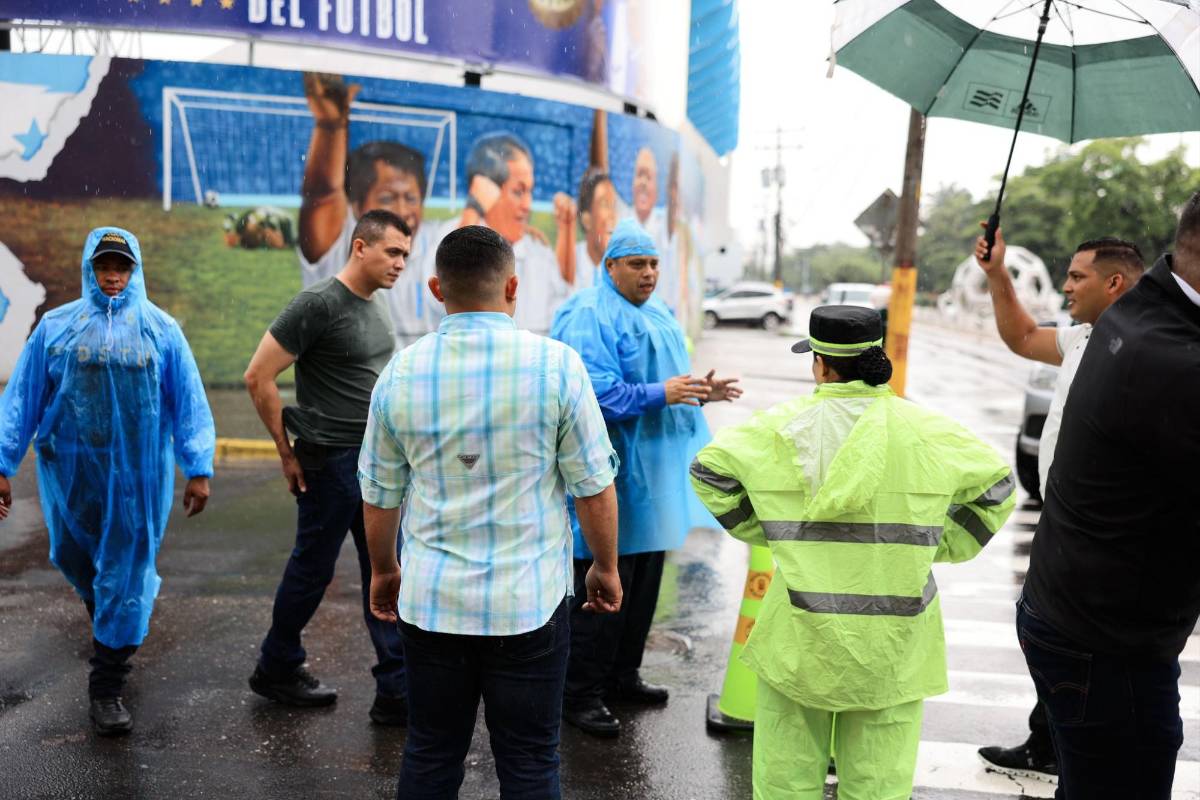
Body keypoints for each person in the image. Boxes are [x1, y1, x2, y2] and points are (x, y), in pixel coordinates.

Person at [690, 305, 1015, 799]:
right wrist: (937, 544)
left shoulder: (777, 428)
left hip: (799, 638)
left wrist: (769, 532)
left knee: (786, 779)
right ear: (875, 356)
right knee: (879, 783)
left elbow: (708, 472)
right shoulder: (926, 431)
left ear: (820, 364)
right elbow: (998, 486)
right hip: (894, 644)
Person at [360, 225, 622, 798]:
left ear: (435, 288)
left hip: (431, 602)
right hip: (526, 603)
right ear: (513, 287)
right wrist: (605, 566)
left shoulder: (399, 374)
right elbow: (594, 486)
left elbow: (380, 493)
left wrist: (383, 571)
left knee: (430, 752)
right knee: (530, 761)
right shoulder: (557, 367)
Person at [1018, 192, 1200, 798]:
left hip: (1077, 613)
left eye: (1078, 277)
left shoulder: (1136, 313)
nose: (1070, 289)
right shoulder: (1172, 358)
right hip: (1105, 642)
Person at [0, 227, 215, 736]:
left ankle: (108, 685)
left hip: (140, 478)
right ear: (89, 269)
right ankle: (113, 626)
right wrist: (4, 464)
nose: (113, 276)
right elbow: (22, 399)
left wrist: (198, 467)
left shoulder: (162, 331)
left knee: (125, 570)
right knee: (76, 560)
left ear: (135, 270)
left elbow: (188, 400)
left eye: (121, 267)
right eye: (104, 267)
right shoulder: (56, 328)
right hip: (71, 476)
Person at [551, 218, 741, 737]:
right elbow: (594, 392)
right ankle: (579, 693)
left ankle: (622, 676)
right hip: (609, 478)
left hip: (655, 482)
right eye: (637, 263)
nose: (649, 272)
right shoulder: (588, 314)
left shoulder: (656, 312)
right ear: (610, 266)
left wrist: (703, 390)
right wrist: (663, 393)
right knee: (601, 591)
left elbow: (668, 381)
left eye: (654, 262)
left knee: (643, 589)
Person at [973, 229, 1144, 781]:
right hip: (1064, 520)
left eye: (1077, 277)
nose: (1066, 287)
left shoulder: (1146, 346)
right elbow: (1023, 336)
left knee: (1076, 644)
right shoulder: (1085, 338)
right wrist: (998, 272)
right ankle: (1048, 739)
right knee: (1051, 634)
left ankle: (1073, 751)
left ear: (1114, 281)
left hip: (1106, 533)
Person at [244, 209, 411, 724]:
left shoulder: (374, 303)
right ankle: (279, 665)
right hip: (333, 461)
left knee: (384, 569)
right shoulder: (318, 303)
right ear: (360, 247)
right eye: (392, 252)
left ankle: (395, 689)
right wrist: (285, 452)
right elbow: (258, 376)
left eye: (405, 254)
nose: (401, 263)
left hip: (375, 459)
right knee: (314, 570)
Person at [296, 72, 445, 347]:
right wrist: (331, 127)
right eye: (387, 198)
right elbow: (323, 194)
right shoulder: (340, 248)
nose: (403, 210)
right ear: (356, 206)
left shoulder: (434, 241)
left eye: (411, 198)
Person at [458, 132, 577, 334]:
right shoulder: (448, 237)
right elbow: (455, 281)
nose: (527, 206)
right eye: (518, 192)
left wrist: (567, 229)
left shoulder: (538, 251)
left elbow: (565, 304)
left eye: (530, 192)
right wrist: (473, 209)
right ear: (484, 190)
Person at [574, 167, 617, 292]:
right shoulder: (570, 264)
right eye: (605, 204)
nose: (612, 215)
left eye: (613, 205)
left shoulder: (621, 271)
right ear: (587, 220)